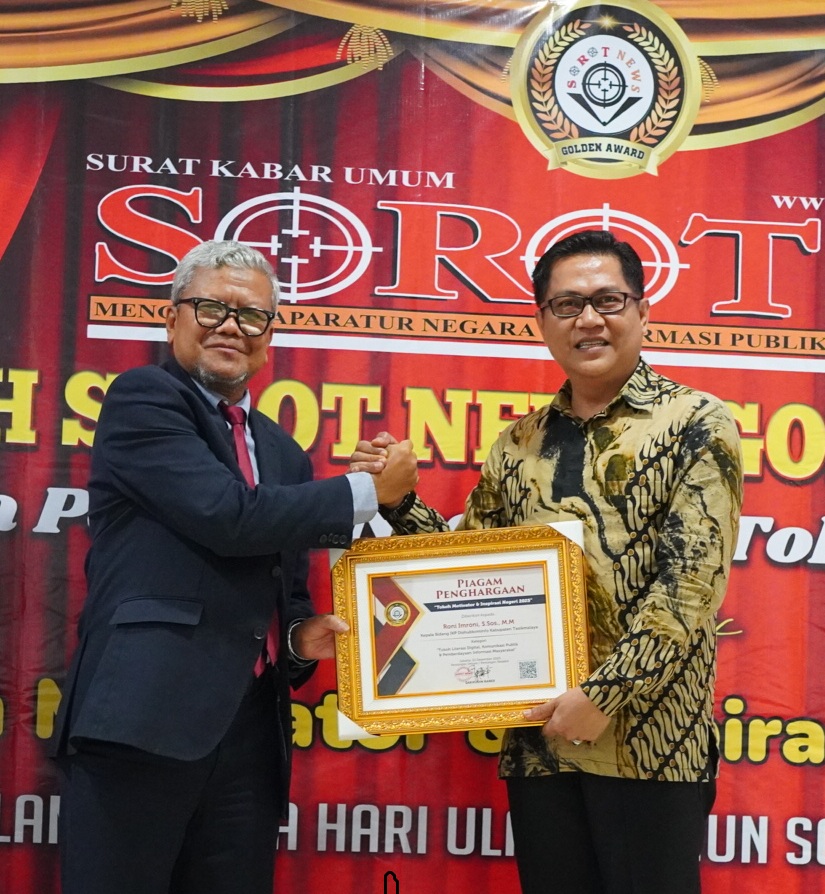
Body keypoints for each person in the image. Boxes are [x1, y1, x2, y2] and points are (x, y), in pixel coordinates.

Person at [351, 229, 743, 894]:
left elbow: (688, 589)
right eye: (566, 305)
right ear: (543, 322)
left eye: (607, 300)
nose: (588, 319)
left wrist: (602, 696)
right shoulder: (518, 444)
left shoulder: (695, 423)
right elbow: (467, 572)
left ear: (642, 311)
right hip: (540, 749)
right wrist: (397, 501)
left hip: (653, 747)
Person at [51, 240, 418, 894]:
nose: (230, 326)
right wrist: (369, 492)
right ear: (172, 319)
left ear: (268, 337)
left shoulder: (285, 453)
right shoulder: (145, 399)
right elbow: (228, 517)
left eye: (251, 315)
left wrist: (300, 638)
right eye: (211, 308)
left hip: (250, 737)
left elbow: (288, 588)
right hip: (144, 719)